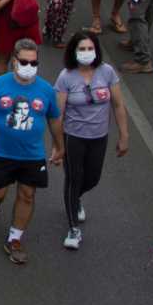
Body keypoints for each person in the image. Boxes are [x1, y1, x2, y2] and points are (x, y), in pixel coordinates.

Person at [0, 38, 60, 264]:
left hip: (32, 155)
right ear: (13, 62)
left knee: (27, 194)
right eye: (24, 62)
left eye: (33, 62)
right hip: (1, 153)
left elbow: (54, 120)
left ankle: (14, 239)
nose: (29, 66)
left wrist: (60, 146)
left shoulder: (46, 90)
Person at [51, 31, 128, 250]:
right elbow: (58, 113)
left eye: (90, 48)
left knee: (92, 178)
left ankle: (76, 199)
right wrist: (57, 146)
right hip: (73, 137)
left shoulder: (107, 72)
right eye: (81, 49)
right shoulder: (66, 77)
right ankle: (73, 228)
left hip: (99, 137)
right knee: (73, 179)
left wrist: (124, 135)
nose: (86, 53)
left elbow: (118, 105)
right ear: (74, 52)